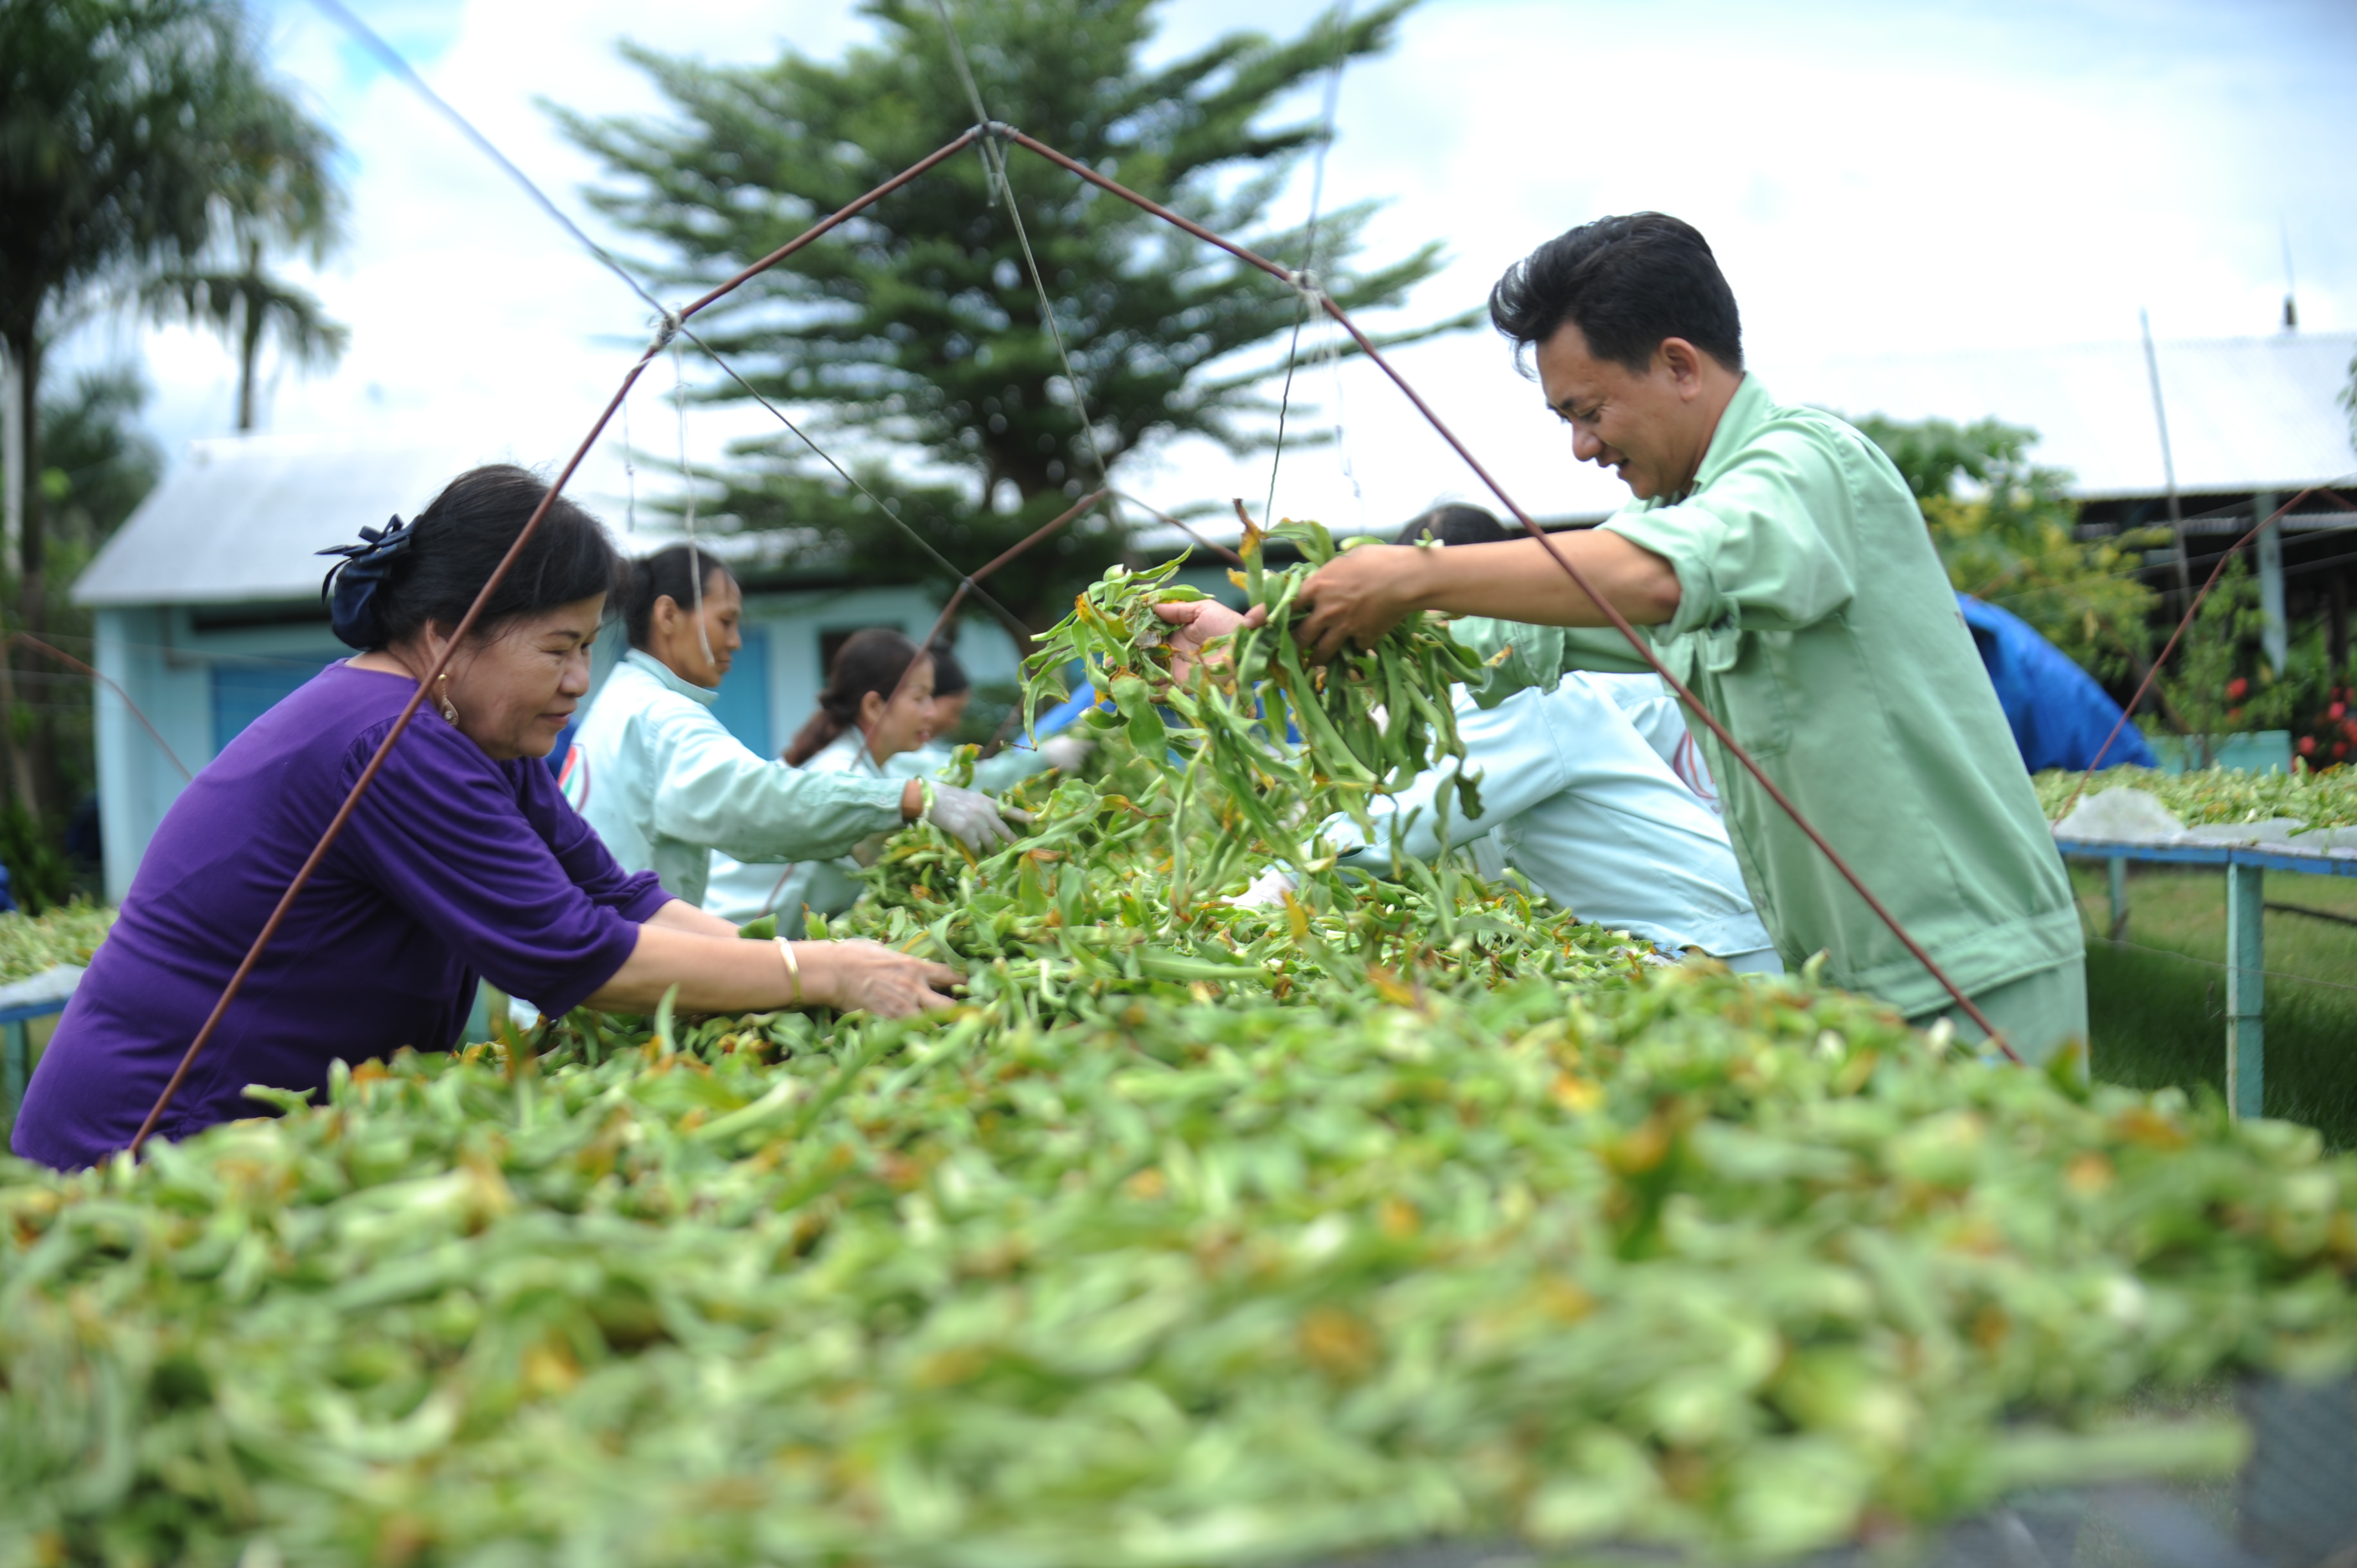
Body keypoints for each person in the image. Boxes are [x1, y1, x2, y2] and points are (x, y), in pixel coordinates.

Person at [1161, 215, 2085, 1063]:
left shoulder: (1803, 470)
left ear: (1680, 365)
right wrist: (1260, 636)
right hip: (1849, 978)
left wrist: (1417, 571)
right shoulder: (1701, 519)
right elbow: (1496, 636)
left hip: (1968, 970)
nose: (1580, 448)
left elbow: (1654, 574)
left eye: (1588, 411)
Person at [13, 467, 958, 1169]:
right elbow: (574, 956)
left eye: (589, 646)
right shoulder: (384, 741)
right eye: (558, 648)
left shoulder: (482, 741)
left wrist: (789, 968)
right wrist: (818, 972)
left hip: (272, 1137)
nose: (580, 681)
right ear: (446, 635)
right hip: (150, 1143)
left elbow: (618, 897)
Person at [1290, 504, 1776, 970]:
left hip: (1704, 942)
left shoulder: (1530, 693)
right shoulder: (1471, 702)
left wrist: (1282, 879)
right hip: (1661, 932)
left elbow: (1407, 822)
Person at [563, 545, 1017, 909]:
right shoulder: (659, 716)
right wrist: (909, 799)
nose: (736, 640)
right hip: (616, 978)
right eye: (726, 621)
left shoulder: (624, 702)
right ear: (668, 616)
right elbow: (756, 802)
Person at [705, 630, 961, 930]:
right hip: (725, 938)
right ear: (874, 707)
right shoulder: (842, 775)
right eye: (919, 698)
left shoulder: (871, 768)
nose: (932, 711)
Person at [883, 639, 1092, 793]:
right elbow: (970, 780)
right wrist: (1044, 757)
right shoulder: (896, 756)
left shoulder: (907, 750)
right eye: (920, 699)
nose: (955, 723)